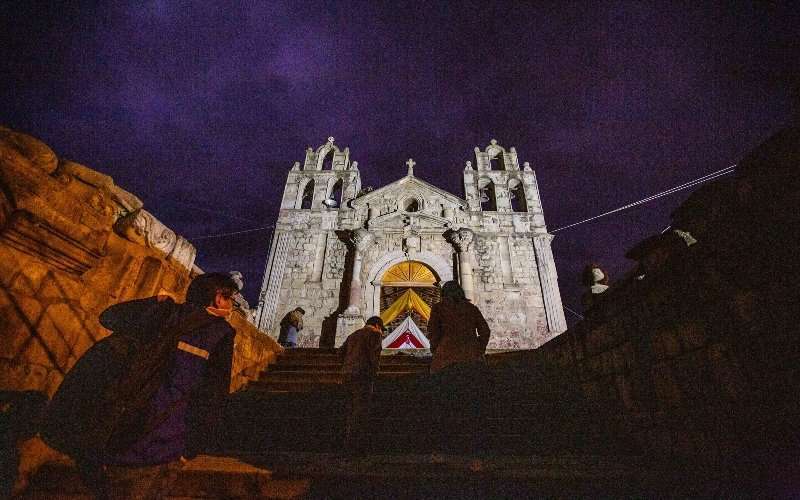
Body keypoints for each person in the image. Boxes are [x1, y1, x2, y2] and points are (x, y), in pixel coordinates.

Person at [39, 272, 238, 499]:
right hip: (160, 445)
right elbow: (213, 398)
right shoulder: (220, 334)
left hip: (111, 430)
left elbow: (109, 316)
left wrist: (155, 301)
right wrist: (191, 449)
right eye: (230, 299)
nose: (232, 305)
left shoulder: (163, 313)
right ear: (218, 298)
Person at [426, 280, 491, 459]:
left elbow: (433, 332)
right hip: (472, 362)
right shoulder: (471, 309)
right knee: (473, 409)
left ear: (444, 293)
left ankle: (442, 453)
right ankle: (476, 458)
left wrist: (437, 350)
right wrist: (478, 349)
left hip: (446, 363)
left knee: (445, 408)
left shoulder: (439, 308)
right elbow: (485, 331)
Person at [340, 316, 385, 454]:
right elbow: (374, 356)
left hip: (347, 374)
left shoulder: (353, 335)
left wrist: (348, 364)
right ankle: (356, 446)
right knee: (361, 410)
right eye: (382, 329)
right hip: (362, 375)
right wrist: (375, 372)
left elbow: (340, 352)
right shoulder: (375, 334)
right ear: (377, 325)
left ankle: (347, 443)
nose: (382, 332)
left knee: (350, 409)